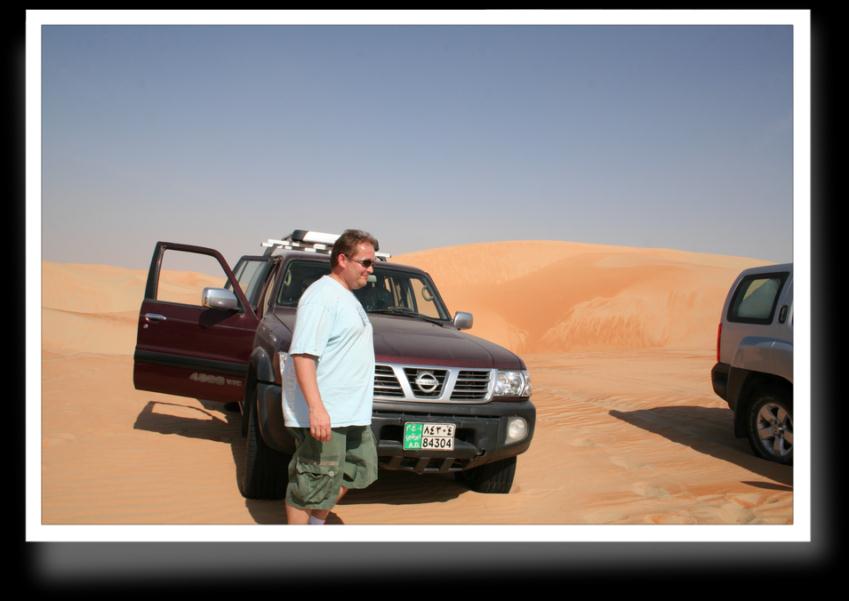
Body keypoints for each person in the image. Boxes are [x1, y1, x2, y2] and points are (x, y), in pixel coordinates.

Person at [282, 229, 380, 525]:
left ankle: (315, 526)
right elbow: (303, 355)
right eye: (365, 262)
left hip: (351, 413)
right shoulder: (321, 297)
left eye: (372, 263)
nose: (370, 269)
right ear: (342, 259)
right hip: (327, 413)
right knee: (311, 485)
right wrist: (316, 408)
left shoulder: (346, 297)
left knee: (355, 470)